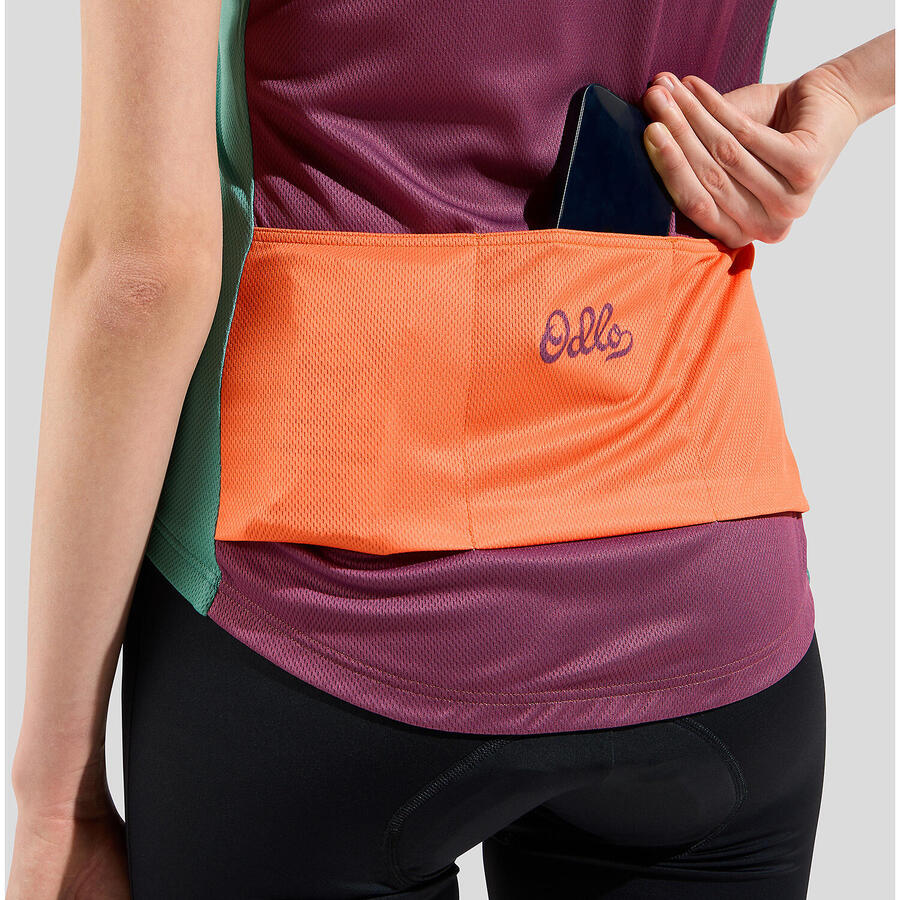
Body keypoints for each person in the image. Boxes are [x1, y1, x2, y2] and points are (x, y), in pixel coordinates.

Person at [7, 0, 893, 895]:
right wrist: (848, 90)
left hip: (321, 605)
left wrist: (55, 803)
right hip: (709, 582)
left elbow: (143, 270)